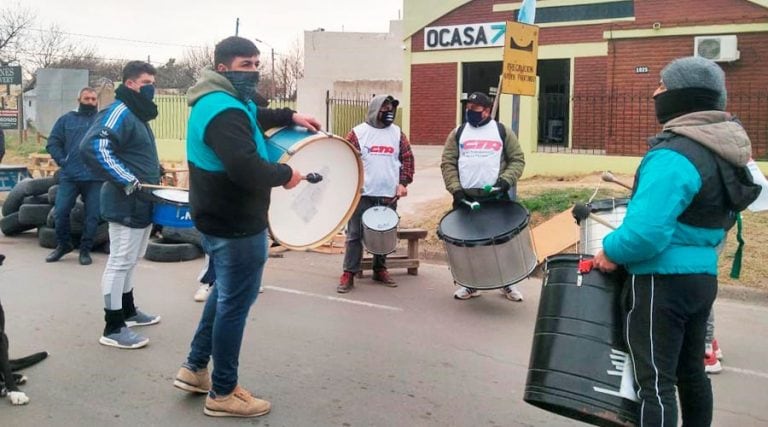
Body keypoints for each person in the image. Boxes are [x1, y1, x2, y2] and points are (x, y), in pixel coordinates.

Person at [593, 56, 760, 426]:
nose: (655, 92)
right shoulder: (724, 150)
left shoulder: (674, 153)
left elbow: (644, 234)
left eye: (662, 85)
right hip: (701, 278)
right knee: (691, 374)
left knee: (654, 383)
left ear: (684, 95)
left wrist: (611, 251)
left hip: (660, 282)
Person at [173, 36, 321, 418]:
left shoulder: (218, 100)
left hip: (216, 216)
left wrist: (289, 117)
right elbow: (246, 168)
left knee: (224, 293)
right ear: (223, 68)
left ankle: (194, 369)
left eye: (257, 65)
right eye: (245, 65)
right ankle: (223, 392)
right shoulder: (225, 112)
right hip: (235, 223)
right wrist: (287, 173)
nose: (253, 72)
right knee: (235, 305)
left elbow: (254, 115)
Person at [80, 61, 162, 350]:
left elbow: (135, 154)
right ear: (130, 84)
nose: (152, 87)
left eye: (154, 81)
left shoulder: (138, 115)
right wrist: (128, 180)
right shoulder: (119, 111)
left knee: (131, 260)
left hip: (142, 203)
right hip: (124, 202)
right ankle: (113, 326)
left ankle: (128, 312)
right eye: (146, 82)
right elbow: (95, 147)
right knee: (119, 262)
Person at [440, 92, 526, 301]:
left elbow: (517, 160)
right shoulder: (458, 133)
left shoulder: (502, 131)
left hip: (496, 197)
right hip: (466, 198)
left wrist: (505, 181)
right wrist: (456, 189)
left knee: (501, 242)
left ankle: (508, 283)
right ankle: (470, 285)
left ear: (487, 111)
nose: (469, 111)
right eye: (467, 107)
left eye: (474, 108)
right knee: (468, 245)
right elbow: (447, 162)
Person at [337, 95, 414, 293]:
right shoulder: (358, 133)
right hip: (362, 193)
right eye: (384, 108)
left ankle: (380, 269)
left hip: (388, 193)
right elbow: (345, 159)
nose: (388, 112)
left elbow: (407, 158)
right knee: (354, 234)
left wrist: (403, 183)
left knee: (384, 232)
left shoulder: (397, 134)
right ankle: (349, 273)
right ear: (374, 109)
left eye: (391, 108)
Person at [45, 87, 102, 265]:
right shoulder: (66, 120)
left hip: (95, 176)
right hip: (70, 175)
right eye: (87, 99)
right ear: (79, 100)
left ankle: (85, 250)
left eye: (94, 99)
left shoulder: (102, 120)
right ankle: (63, 245)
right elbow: (53, 143)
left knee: (92, 216)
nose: (91, 102)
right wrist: (63, 160)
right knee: (60, 213)